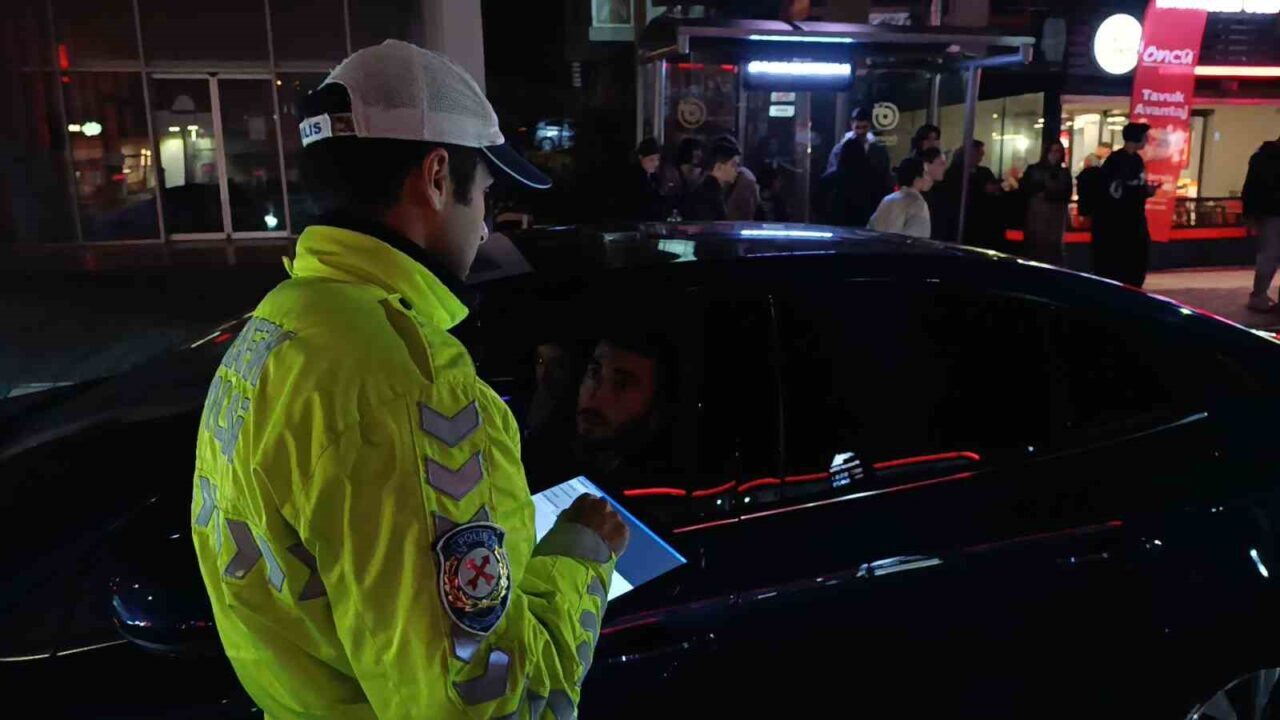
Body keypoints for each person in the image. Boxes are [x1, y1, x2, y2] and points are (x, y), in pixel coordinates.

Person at [190, 41, 628, 720]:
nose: (485, 227)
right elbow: (491, 704)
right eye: (486, 196)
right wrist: (582, 556)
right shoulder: (405, 385)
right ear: (436, 175)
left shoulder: (281, 321)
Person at [1093, 122, 1158, 287]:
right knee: (1121, 265)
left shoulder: (1137, 160)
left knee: (1137, 262)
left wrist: (1146, 191)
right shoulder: (1116, 161)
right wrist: (1141, 190)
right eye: (1144, 137)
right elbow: (1115, 191)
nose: (1147, 141)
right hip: (1119, 223)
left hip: (1135, 219)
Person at [867, 148, 945, 239]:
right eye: (925, 173)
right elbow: (919, 239)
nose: (929, 178)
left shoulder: (887, 199)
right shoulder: (918, 203)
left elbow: (871, 227)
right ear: (917, 178)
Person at [943, 140, 1003, 248]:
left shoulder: (984, 172)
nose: (980, 158)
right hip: (962, 220)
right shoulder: (954, 173)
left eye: (982, 155)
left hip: (983, 221)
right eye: (978, 154)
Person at [1021, 140, 1073, 265]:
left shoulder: (1064, 172)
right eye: (1052, 151)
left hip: (1056, 217)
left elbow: (1066, 193)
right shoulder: (1034, 170)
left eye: (1058, 151)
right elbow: (1026, 189)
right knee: (1038, 247)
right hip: (1038, 216)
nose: (1055, 155)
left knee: (1053, 248)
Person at [1244, 134, 1280, 311]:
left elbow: (1250, 188)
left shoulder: (1262, 157)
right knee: (1269, 256)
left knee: (1268, 255)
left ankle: (1259, 296)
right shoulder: (1265, 158)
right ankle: (1258, 296)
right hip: (1271, 212)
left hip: (1268, 213)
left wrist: (1249, 213)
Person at [683, 137, 740, 221]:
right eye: (733, 165)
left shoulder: (710, 190)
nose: (737, 170)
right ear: (719, 167)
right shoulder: (708, 196)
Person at [625, 136, 667, 221]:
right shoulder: (633, 177)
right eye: (651, 160)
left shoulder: (654, 177)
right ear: (640, 157)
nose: (656, 163)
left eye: (657, 159)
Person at [1076, 153, 1105, 222]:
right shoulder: (1102, 173)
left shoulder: (1085, 174)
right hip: (1099, 207)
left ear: (1089, 161)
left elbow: (1080, 190)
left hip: (1085, 205)